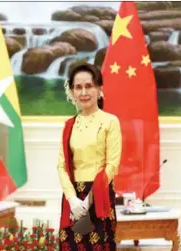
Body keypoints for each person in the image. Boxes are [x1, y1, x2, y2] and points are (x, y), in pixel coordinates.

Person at [57, 63, 122, 250]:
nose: (84, 92)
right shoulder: (69, 125)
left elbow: (112, 165)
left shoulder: (110, 121)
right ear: (72, 91)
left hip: (99, 196)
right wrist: (72, 199)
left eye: (89, 86)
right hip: (73, 199)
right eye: (78, 87)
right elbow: (61, 166)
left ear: (99, 89)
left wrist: (88, 199)